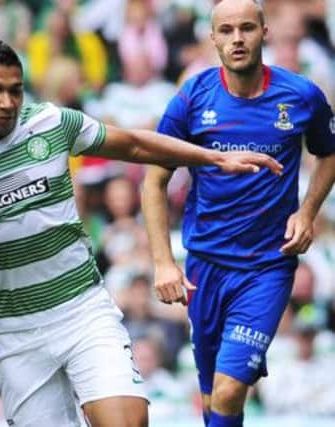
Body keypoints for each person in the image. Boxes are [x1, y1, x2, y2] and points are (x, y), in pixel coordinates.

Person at [0, 37, 282, 427]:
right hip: (12, 329)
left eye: (15, 90)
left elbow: (135, 144)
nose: (8, 103)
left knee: (128, 422)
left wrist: (214, 158)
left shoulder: (52, 123)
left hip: (80, 309)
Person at [141, 1, 335, 426]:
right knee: (212, 399)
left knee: (230, 392)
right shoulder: (193, 98)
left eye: (246, 28)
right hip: (205, 267)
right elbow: (153, 181)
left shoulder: (300, 95)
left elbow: (330, 153)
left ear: (264, 32)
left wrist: (307, 212)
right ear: (212, 39)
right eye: (225, 30)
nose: (236, 39)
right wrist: (162, 262)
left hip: (267, 266)